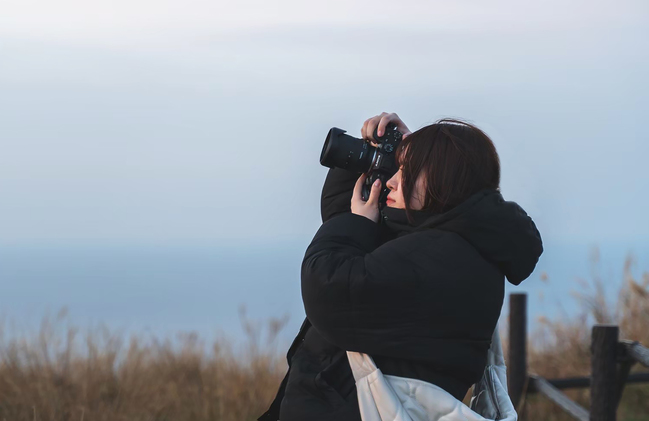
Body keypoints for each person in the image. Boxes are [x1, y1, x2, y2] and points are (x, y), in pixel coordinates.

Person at [258, 112, 544, 421]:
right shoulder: (448, 240)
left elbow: (328, 284)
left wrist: (354, 222)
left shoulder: (443, 258)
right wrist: (384, 156)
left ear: (440, 177)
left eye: (405, 170)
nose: (392, 179)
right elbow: (348, 227)